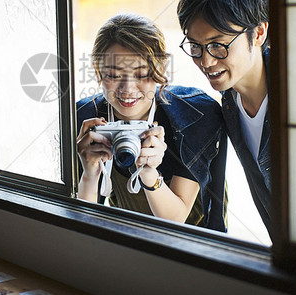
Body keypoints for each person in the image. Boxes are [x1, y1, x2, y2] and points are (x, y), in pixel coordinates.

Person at [75, 13, 227, 231]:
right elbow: (85, 225)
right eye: (114, 75)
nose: (127, 89)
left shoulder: (193, 115)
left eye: (141, 74)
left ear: (161, 68)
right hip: (129, 236)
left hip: (195, 241)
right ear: (97, 70)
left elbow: (176, 219)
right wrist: (89, 174)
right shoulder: (87, 118)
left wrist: (148, 171)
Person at [176, 0, 272, 237]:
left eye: (219, 44)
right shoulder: (228, 103)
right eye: (195, 46)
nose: (206, 61)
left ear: (259, 32)